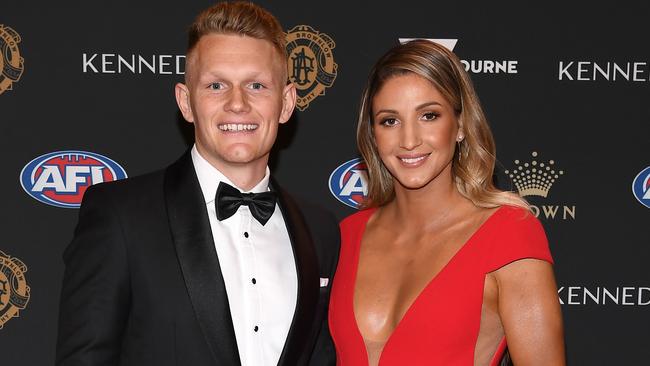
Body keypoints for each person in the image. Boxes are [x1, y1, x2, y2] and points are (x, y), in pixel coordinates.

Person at [56, 2, 339, 365]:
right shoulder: (121, 217)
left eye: (256, 85)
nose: (238, 104)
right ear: (186, 102)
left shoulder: (320, 230)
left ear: (285, 103)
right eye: (216, 85)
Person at [328, 40, 565, 366]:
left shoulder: (508, 234)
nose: (409, 140)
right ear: (372, 134)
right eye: (390, 121)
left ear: (461, 125)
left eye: (429, 115)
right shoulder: (346, 235)